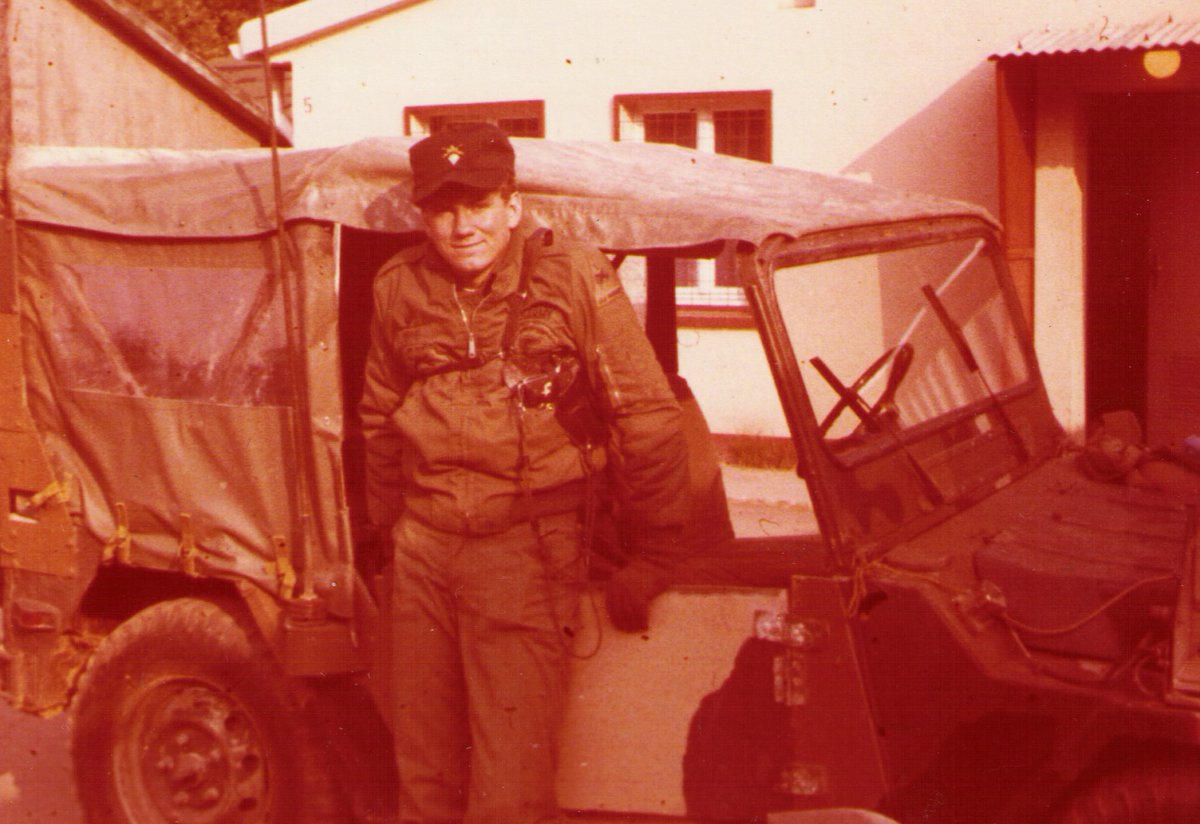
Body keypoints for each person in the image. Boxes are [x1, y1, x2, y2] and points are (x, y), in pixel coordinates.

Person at [359, 123, 689, 823]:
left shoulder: (569, 276)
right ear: (424, 217)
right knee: (423, 775)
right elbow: (379, 416)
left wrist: (657, 552)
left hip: (523, 547)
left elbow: (648, 415)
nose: (461, 226)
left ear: (511, 206)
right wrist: (388, 535)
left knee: (509, 784)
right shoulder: (398, 286)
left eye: (478, 205)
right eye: (443, 210)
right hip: (423, 548)